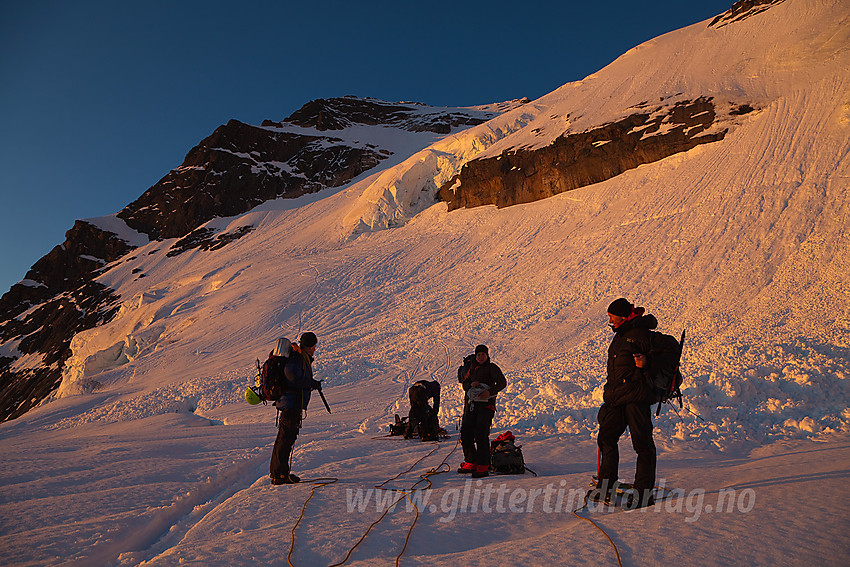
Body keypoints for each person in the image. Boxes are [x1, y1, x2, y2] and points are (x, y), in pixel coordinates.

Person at [589, 298, 658, 508]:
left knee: (642, 445)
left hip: (637, 398)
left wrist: (646, 364)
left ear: (622, 316)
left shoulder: (641, 335)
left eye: (611, 315)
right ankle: (605, 488)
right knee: (606, 438)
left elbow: (656, 363)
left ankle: (643, 494)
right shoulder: (620, 336)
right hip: (617, 399)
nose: (609, 319)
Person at [269, 332, 322, 485]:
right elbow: (292, 376)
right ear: (310, 346)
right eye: (314, 346)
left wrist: (310, 383)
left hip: (290, 403)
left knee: (285, 438)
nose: (314, 349)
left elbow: (297, 378)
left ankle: (279, 473)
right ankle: (279, 475)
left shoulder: (299, 357)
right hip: (291, 404)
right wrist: (311, 383)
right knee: (285, 439)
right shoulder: (297, 358)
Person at [458, 344, 507, 478]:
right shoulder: (472, 368)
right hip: (472, 405)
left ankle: (483, 465)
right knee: (466, 433)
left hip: (486, 405)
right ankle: (471, 461)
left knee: (481, 433)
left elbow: (502, 382)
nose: (481, 357)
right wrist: (470, 385)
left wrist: (490, 392)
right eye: (478, 355)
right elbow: (464, 384)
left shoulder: (492, 368)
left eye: (483, 354)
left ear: (487, 355)